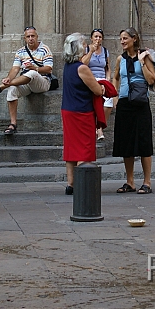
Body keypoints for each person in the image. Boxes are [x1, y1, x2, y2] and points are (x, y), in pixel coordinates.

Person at [112, 27, 155, 194]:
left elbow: (151, 79)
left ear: (134, 39)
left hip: (141, 103)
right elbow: (116, 77)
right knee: (126, 142)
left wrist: (142, 62)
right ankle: (130, 181)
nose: (122, 41)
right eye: (121, 39)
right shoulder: (119, 59)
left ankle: (147, 182)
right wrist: (115, 96)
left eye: (125, 38)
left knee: (144, 141)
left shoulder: (145, 56)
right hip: (124, 103)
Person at [62, 33, 106, 195]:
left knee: (71, 148)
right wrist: (102, 87)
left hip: (68, 110)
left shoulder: (67, 66)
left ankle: (71, 183)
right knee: (84, 148)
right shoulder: (82, 68)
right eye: (85, 44)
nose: (87, 46)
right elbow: (96, 90)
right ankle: (82, 182)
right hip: (82, 112)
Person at [0, 26, 53, 136]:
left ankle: (2, 87)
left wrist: (35, 68)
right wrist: (9, 78)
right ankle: (13, 124)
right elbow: (15, 69)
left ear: (37, 37)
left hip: (42, 81)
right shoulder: (21, 51)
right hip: (26, 82)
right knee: (12, 90)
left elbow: (49, 68)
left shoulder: (45, 49)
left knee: (32, 73)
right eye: (28, 36)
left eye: (33, 36)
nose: (31, 38)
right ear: (25, 38)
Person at [81, 28, 112, 141]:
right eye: (95, 36)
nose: (98, 39)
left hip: (102, 79)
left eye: (100, 37)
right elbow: (83, 64)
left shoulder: (105, 51)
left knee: (109, 102)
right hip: (90, 78)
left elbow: (108, 67)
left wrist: (108, 79)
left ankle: (99, 125)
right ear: (91, 38)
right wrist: (91, 52)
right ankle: (98, 129)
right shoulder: (86, 49)